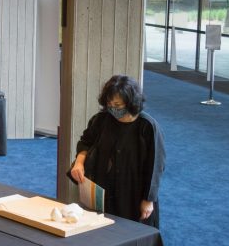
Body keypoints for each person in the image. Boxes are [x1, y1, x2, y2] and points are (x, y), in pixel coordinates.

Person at [69, 75, 166, 228]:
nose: (113, 108)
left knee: (131, 233)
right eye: (109, 104)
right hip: (105, 189)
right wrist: (79, 163)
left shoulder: (147, 127)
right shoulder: (101, 120)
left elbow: (156, 167)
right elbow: (85, 142)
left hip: (133, 192)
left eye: (118, 104)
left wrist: (148, 200)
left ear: (130, 103)